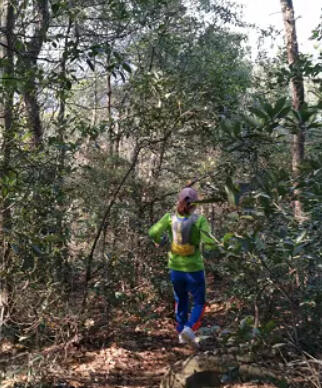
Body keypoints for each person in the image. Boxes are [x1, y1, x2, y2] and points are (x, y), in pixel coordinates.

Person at [148, 187, 216, 348]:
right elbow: (210, 242)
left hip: (176, 269)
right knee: (199, 302)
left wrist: (162, 240)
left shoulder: (169, 218)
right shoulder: (199, 221)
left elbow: (152, 232)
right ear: (195, 204)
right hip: (194, 269)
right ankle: (189, 328)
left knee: (181, 300)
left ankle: (181, 332)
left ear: (179, 200)